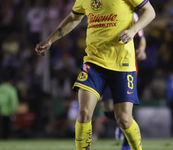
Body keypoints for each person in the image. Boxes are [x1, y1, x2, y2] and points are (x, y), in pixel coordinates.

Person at [35, 0, 155, 149]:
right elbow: (74, 18)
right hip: (94, 63)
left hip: (123, 64)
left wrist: (132, 31)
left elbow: (150, 11)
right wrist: (50, 40)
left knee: (124, 119)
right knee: (84, 112)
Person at [101, 12, 147, 150]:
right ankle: (122, 124)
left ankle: (127, 145)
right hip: (106, 64)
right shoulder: (103, 10)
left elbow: (141, 37)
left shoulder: (131, 14)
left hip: (127, 66)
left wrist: (142, 50)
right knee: (107, 108)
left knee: (124, 113)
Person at [0, 68, 19, 139]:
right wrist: (13, 111)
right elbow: (14, 101)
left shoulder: (0, 88)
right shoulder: (11, 90)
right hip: (7, 112)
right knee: (6, 130)